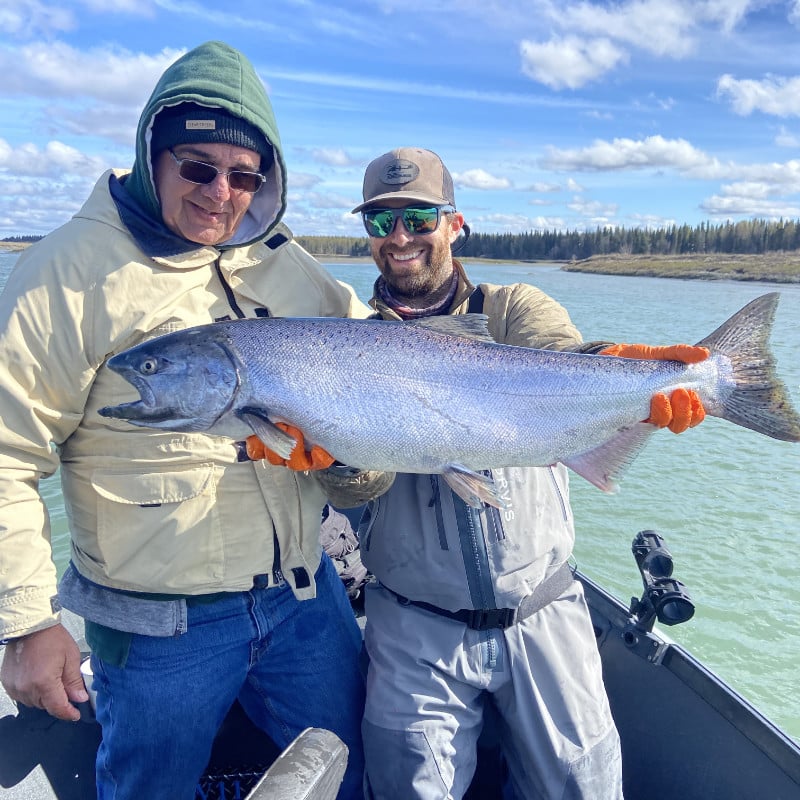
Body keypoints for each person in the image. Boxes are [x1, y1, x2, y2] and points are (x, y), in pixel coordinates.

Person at [0, 41, 382, 799]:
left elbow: (384, 379)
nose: (221, 193)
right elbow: (7, 453)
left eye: (245, 176)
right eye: (198, 167)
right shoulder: (66, 272)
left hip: (303, 600)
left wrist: (352, 463)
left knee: (344, 773)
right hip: (154, 628)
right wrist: (25, 624)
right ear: (152, 153)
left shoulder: (289, 265)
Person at [326, 147, 708, 799]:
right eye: (381, 222)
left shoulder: (515, 308)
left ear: (454, 223)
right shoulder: (344, 344)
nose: (401, 239)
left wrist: (619, 371)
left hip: (544, 610)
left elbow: (563, 359)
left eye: (419, 218)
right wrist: (339, 456)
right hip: (413, 629)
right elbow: (354, 490)